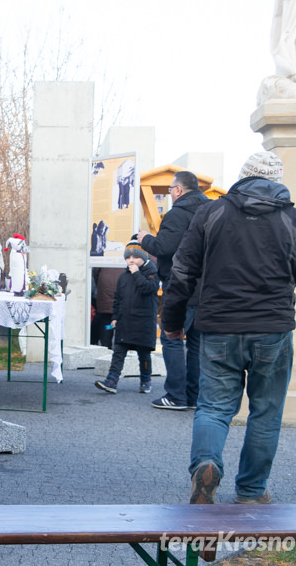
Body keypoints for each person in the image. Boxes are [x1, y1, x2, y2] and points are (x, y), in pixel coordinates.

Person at [161, 151, 296, 508]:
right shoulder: (294, 220)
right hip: (272, 331)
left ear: (243, 177)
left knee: (214, 408)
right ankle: (251, 492)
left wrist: (171, 322)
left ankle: (206, 465)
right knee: (265, 412)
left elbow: (182, 272)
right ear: (277, 181)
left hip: (219, 328)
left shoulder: (211, 212)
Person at [137, 171, 210, 411]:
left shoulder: (177, 214)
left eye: (170, 189)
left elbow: (164, 247)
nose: (170, 193)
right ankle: (193, 395)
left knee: (171, 337)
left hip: (181, 286)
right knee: (197, 343)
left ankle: (177, 396)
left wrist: (144, 239)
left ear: (178, 190)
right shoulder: (212, 210)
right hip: (207, 288)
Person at [94, 240, 159, 395]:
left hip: (143, 322)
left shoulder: (151, 273)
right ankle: (111, 380)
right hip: (125, 321)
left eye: (135, 257)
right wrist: (115, 317)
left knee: (144, 355)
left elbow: (148, 288)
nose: (131, 260)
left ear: (143, 258)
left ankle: (145, 380)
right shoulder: (123, 277)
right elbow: (117, 299)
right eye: (128, 257)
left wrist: (136, 273)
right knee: (118, 352)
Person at [90, 266, 123, 349]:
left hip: (104, 298)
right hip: (122, 302)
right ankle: (120, 348)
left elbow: (95, 273)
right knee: (121, 324)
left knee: (106, 324)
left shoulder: (103, 262)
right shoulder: (126, 262)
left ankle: (106, 345)